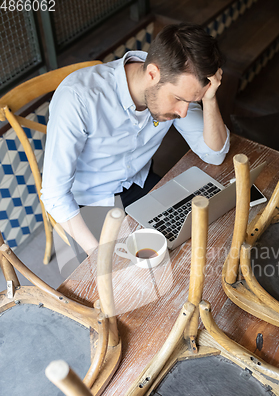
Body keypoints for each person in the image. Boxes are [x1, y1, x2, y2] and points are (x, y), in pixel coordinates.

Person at [41, 23, 230, 257]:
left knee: (204, 237)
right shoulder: (78, 99)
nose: (183, 112)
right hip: (91, 203)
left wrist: (209, 99)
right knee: (130, 281)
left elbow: (215, 153)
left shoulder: (174, 87)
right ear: (152, 73)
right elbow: (54, 195)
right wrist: (98, 255)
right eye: (179, 99)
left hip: (140, 183)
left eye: (191, 101)